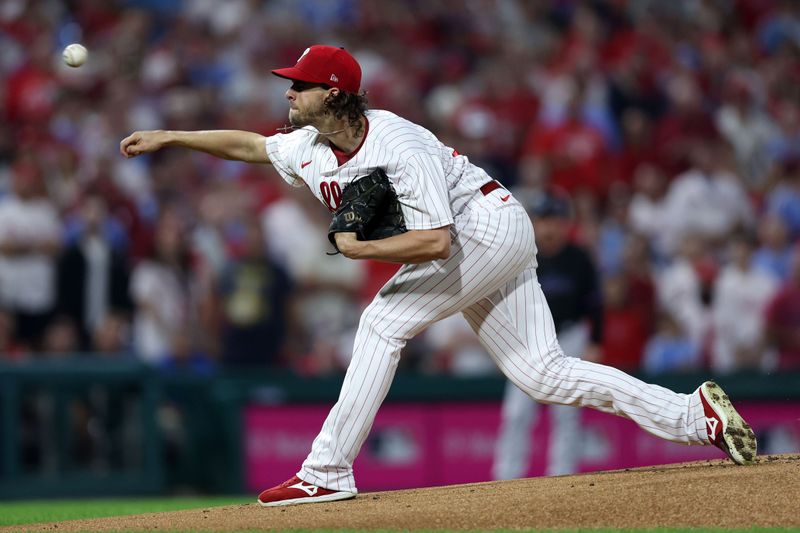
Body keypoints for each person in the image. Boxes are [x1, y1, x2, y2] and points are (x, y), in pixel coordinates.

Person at [120, 45, 757, 507]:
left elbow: (434, 241)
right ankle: (695, 417)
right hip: (483, 235)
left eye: (300, 85)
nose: (288, 93)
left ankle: (327, 470)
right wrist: (172, 136)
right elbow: (252, 146)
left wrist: (357, 252)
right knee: (542, 372)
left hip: (483, 227)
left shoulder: (399, 145)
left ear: (335, 93)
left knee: (380, 323)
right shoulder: (308, 144)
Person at [492, 191, 602, 479]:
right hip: (527, 338)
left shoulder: (578, 259)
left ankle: (563, 477)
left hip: (569, 335)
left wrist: (596, 341)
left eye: (555, 220)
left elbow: (595, 303)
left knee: (566, 411)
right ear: (535, 223)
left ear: (566, 224)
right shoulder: (522, 255)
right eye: (544, 220)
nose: (550, 227)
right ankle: (506, 478)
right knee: (516, 412)